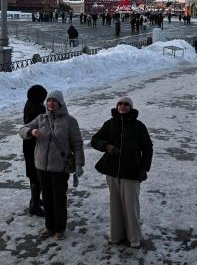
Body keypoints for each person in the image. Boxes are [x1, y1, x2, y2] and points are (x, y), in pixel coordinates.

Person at [19, 90, 85, 241]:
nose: (51, 104)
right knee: (47, 198)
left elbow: (77, 144)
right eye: (48, 101)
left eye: (54, 101)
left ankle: (60, 228)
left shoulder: (70, 121)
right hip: (42, 166)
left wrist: (79, 164)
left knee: (59, 198)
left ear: (60, 103)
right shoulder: (41, 118)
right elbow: (21, 130)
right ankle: (49, 226)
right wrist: (31, 131)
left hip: (60, 167)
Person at [91, 97, 153, 248]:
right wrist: (106, 146)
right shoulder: (110, 124)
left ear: (130, 107)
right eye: (120, 104)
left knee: (131, 206)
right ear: (116, 106)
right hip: (112, 172)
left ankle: (134, 237)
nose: (123, 106)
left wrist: (144, 168)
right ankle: (116, 235)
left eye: (126, 104)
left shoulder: (139, 126)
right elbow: (95, 140)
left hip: (131, 172)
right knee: (115, 205)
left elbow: (148, 148)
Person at [22, 85, 48, 217]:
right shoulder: (39, 109)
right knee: (36, 176)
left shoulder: (29, 104)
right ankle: (35, 206)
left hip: (28, 144)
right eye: (44, 97)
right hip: (35, 144)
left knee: (34, 175)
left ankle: (35, 200)